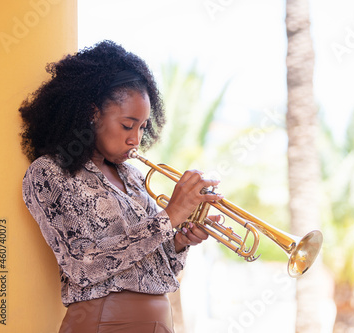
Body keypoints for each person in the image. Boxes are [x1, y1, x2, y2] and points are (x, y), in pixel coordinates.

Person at [20, 40, 224, 333]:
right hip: (104, 322)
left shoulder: (133, 177)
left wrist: (180, 241)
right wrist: (171, 214)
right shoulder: (50, 172)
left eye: (142, 127)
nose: (136, 140)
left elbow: (163, 269)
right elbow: (83, 265)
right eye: (128, 125)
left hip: (159, 321)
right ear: (92, 114)